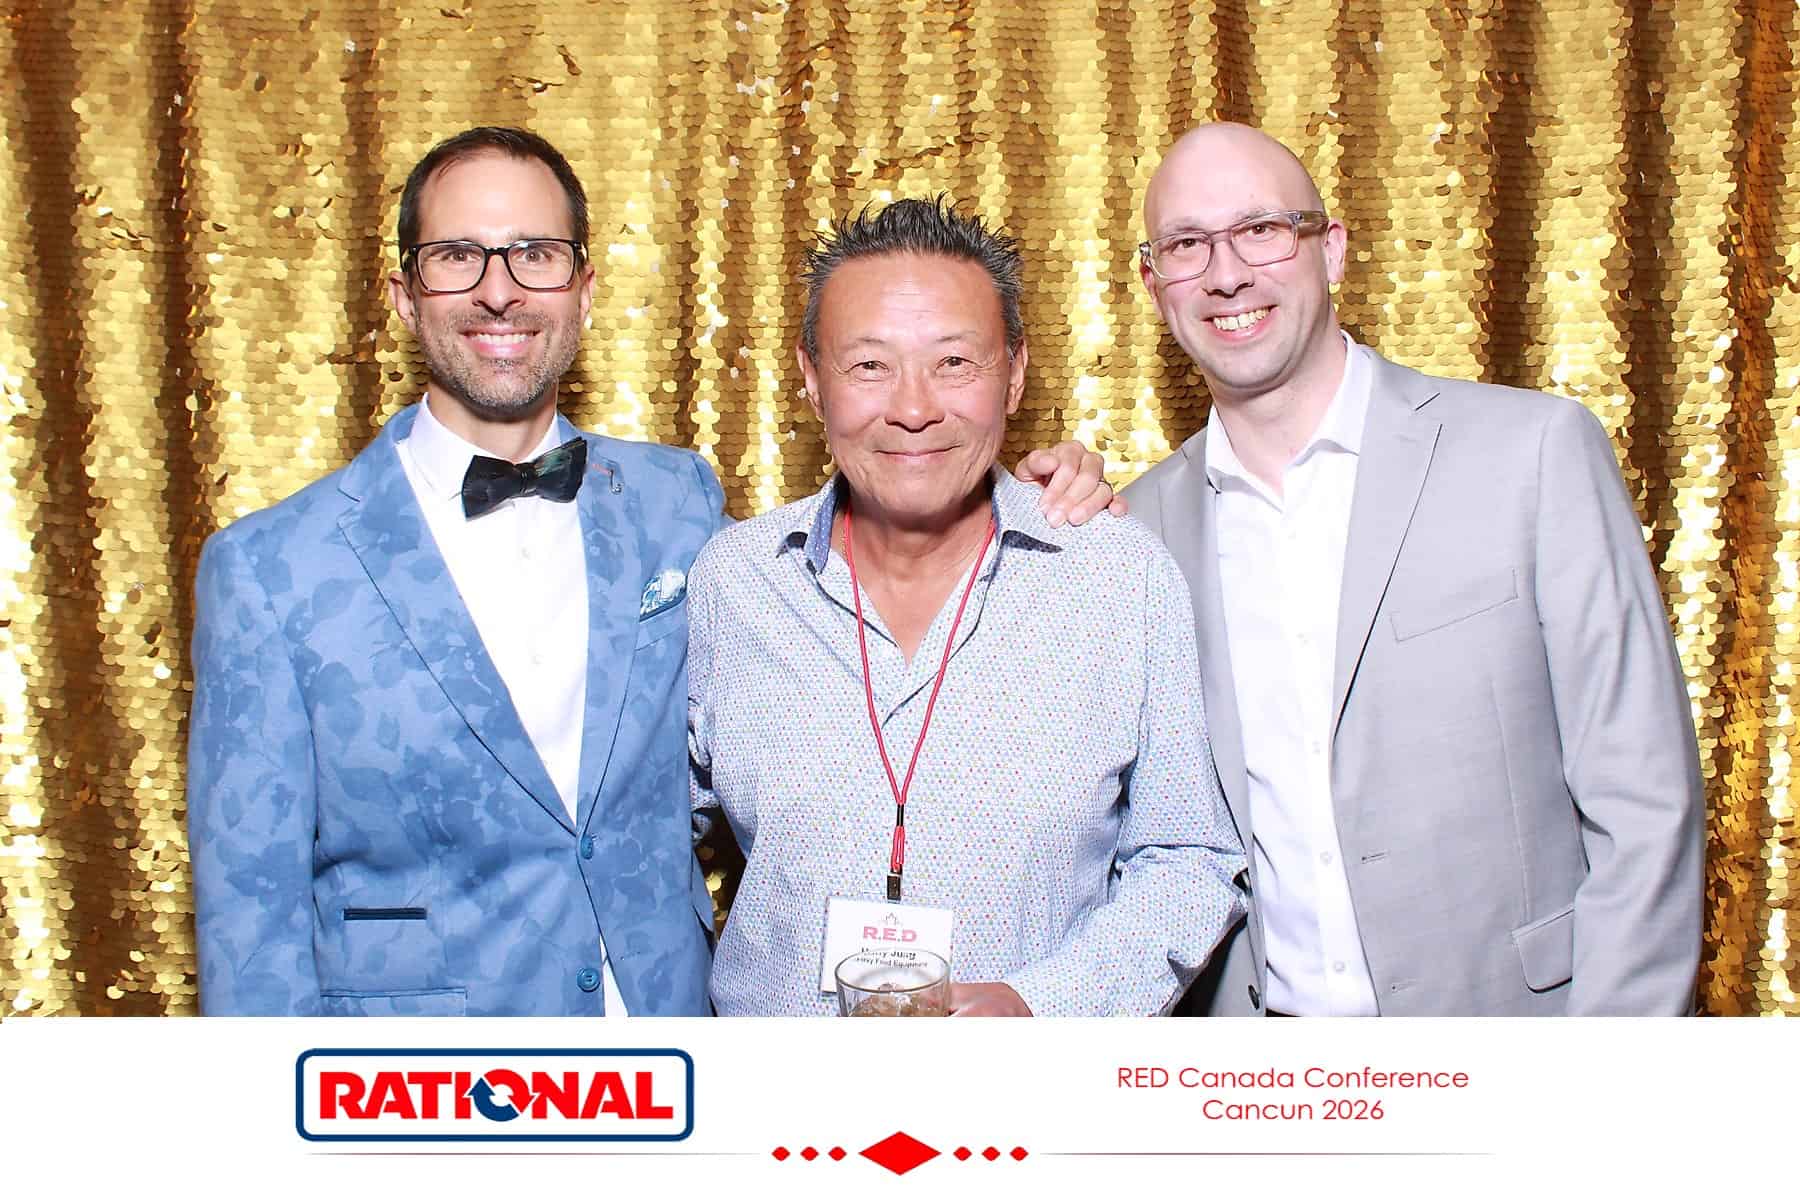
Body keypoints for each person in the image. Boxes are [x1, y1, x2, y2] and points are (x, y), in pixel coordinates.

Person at [186, 127, 1112, 1016]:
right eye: (458, 255)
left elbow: (819, 674)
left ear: (583, 288)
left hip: (671, 1057)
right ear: (404, 294)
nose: (499, 290)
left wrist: (1030, 497)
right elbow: (248, 923)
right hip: (421, 1083)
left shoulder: (677, 504)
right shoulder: (272, 569)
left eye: (536, 254)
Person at [1123, 122, 1704, 1016]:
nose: (1226, 272)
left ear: (1332, 249)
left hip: (1520, 1044)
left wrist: (1604, 1077)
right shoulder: (1138, 530)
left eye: (1261, 230)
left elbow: (1646, 802)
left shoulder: (1533, 454)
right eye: (1186, 244)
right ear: (1153, 284)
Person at [687, 197, 1247, 1017]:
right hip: (773, 1084)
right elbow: (638, 836)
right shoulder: (733, 584)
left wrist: (1041, 1007)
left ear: (1014, 374)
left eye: (954, 362)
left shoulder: (1119, 580)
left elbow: (1190, 857)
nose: (914, 409)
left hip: (1035, 1089)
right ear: (811, 379)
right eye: (869, 366)